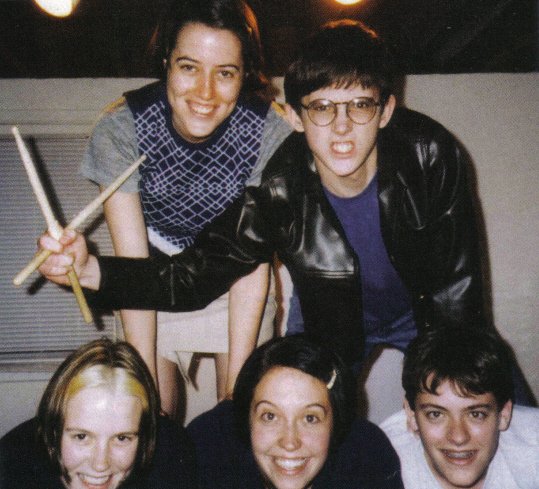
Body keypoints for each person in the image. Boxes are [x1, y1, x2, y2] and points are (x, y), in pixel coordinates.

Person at [38, 20, 484, 373]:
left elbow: (456, 286)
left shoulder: (430, 154)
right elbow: (192, 277)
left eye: (360, 105)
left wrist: (441, 382)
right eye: (322, 107)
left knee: (484, 411)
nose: (342, 126)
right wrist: (89, 268)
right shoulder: (279, 189)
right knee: (305, 434)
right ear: (294, 118)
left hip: (426, 311)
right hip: (330, 322)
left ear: (385, 110)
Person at [81, 0, 292, 412]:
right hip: (153, 281)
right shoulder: (121, 128)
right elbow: (134, 264)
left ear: (245, 75)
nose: (205, 93)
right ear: (166, 62)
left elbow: (251, 262)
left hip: (237, 282)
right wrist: (144, 384)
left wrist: (234, 393)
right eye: (189, 67)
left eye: (225, 73)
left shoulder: (271, 130)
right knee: (148, 410)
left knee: (241, 414)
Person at [187, 334, 404, 488]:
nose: (290, 442)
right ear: (247, 420)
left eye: (310, 418)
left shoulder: (368, 461)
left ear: (335, 423)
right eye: (270, 416)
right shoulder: (207, 457)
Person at [0, 338, 197, 489]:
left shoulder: (171, 463)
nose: (100, 464)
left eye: (122, 438)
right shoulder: (13, 468)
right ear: (53, 431)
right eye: (81, 437)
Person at [379, 326, 539, 489]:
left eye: (476, 414)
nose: (458, 437)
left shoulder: (533, 448)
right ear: (411, 415)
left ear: (504, 414)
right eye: (435, 414)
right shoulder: (379, 466)